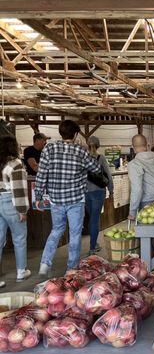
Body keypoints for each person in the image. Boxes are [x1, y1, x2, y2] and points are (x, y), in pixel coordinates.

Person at [35, 120, 101, 275]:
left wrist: (38, 196)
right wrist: (86, 149)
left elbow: (41, 174)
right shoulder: (80, 151)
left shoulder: (49, 148)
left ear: (60, 132)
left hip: (56, 199)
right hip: (76, 199)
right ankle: (71, 268)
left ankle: (45, 263)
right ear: (76, 134)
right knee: (75, 233)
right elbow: (96, 168)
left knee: (56, 230)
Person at [0, 136, 31, 287]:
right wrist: (22, 210)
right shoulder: (16, 164)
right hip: (9, 202)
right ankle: (21, 271)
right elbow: (19, 190)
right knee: (19, 238)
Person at [86, 136, 114, 255]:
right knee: (95, 219)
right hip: (98, 192)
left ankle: (94, 243)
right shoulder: (101, 158)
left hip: (85, 192)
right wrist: (111, 190)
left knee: (91, 217)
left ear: (88, 145)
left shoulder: (83, 158)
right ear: (98, 145)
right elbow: (108, 175)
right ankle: (92, 247)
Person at [127, 134, 154, 221]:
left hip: (147, 204)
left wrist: (132, 212)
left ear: (133, 147)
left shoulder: (134, 164)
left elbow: (137, 189)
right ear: (147, 145)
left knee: (146, 233)